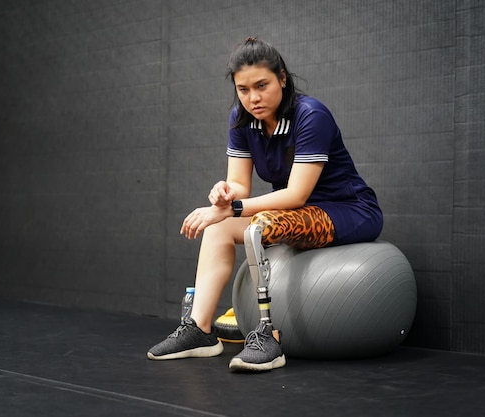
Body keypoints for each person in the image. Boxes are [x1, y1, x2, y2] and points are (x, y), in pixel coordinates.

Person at [147, 37, 383, 371]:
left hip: (348, 210)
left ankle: (266, 334)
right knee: (218, 227)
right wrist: (225, 194)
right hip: (291, 212)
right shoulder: (242, 120)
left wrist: (235, 208)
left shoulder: (311, 115)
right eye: (243, 90)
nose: (253, 98)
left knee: (260, 226)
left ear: (282, 78)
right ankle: (199, 331)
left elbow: (297, 195)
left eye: (262, 86)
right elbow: (240, 185)